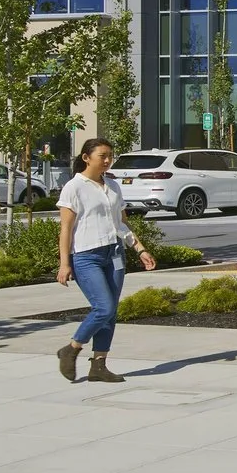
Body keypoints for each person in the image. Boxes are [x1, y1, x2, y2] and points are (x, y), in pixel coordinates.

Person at [55, 138, 156, 384]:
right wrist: (64, 263)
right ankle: (72, 348)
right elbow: (66, 229)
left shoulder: (112, 186)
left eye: (110, 155)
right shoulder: (74, 187)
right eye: (103, 156)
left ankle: (99, 365)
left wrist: (139, 248)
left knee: (111, 313)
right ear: (87, 157)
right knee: (104, 307)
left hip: (114, 254)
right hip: (86, 256)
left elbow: (121, 223)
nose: (108, 160)